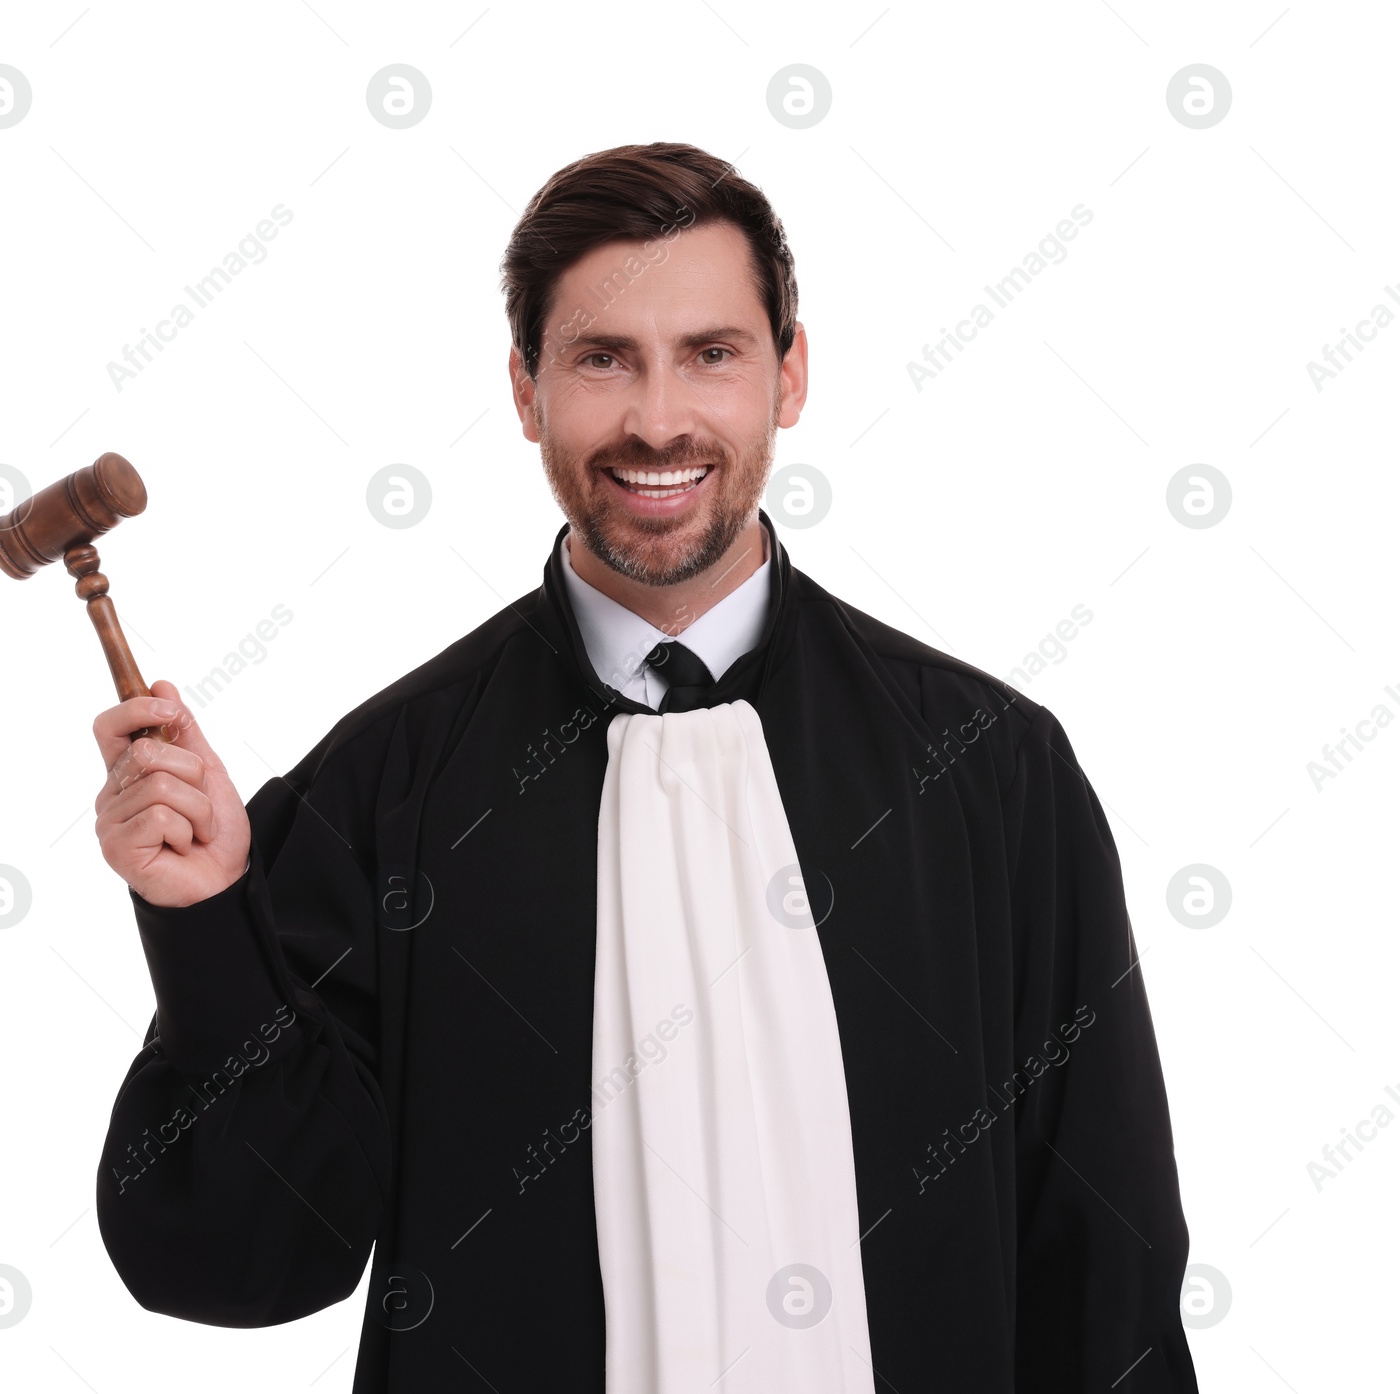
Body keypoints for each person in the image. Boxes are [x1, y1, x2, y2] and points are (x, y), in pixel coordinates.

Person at [91, 142, 1201, 1392]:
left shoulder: (991, 772)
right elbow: (246, 1259)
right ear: (524, 389)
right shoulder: (383, 788)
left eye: (712, 353)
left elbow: (1104, 1265)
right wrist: (202, 927)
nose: (658, 418)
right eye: (602, 358)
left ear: (790, 375)